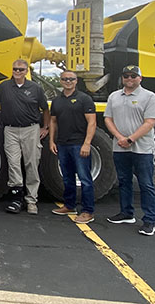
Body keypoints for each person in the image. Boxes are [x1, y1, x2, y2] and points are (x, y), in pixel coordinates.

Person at [0, 59, 49, 215]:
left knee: (31, 164)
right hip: (11, 130)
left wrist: (45, 127)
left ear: (26, 70)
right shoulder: (4, 86)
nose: (17, 72)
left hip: (31, 130)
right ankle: (17, 198)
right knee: (13, 164)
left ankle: (31, 201)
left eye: (21, 69)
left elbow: (45, 109)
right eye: (15, 69)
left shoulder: (35, 88)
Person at [104, 65, 155, 236]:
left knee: (145, 184)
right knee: (123, 181)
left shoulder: (149, 97)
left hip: (141, 148)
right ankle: (126, 213)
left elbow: (150, 122)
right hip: (120, 147)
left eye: (133, 76)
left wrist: (130, 139)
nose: (129, 79)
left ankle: (149, 220)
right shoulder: (114, 96)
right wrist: (120, 137)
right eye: (126, 76)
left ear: (140, 78)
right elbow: (108, 118)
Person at [49, 70, 97, 224]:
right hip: (62, 144)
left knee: (84, 179)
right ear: (60, 80)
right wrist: (51, 141)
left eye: (71, 79)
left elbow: (92, 122)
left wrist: (87, 143)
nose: (68, 81)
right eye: (64, 79)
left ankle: (88, 211)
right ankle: (69, 205)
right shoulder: (57, 101)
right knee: (67, 177)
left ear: (76, 81)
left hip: (79, 144)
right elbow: (53, 122)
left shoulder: (84, 99)